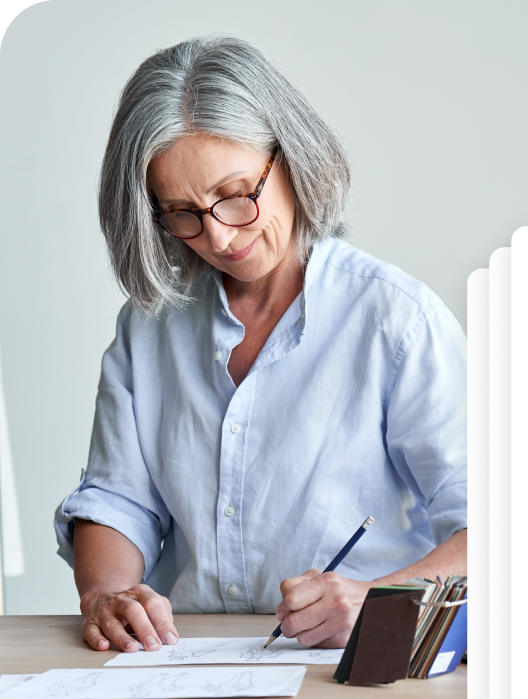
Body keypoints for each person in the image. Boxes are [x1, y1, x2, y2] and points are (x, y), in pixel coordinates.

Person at [53, 36, 467, 653]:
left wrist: (380, 600)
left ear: (292, 158)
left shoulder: (397, 321)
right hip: (184, 662)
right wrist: (105, 596)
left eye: (236, 194)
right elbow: (118, 499)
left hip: (348, 669)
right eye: (183, 213)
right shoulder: (150, 326)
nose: (218, 237)